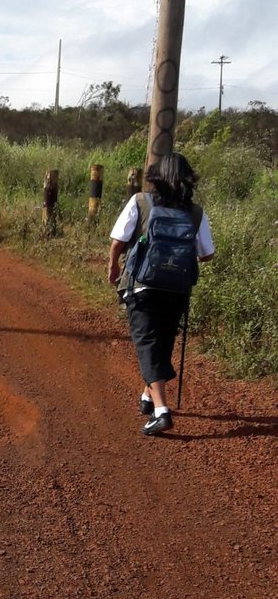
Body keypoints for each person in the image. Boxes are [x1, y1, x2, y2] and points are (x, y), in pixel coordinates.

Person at [107, 152, 214, 436]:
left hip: (142, 285)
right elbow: (207, 254)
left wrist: (113, 268)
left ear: (155, 175)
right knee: (163, 342)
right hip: (177, 288)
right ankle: (147, 397)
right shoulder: (195, 213)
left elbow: (118, 241)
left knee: (147, 344)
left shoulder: (140, 201)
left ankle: (161, 411)